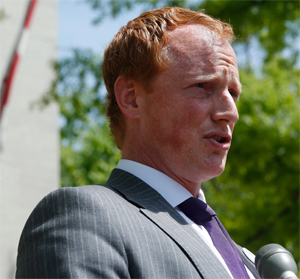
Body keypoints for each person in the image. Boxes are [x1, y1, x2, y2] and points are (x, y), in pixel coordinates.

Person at [16, 7, 261, 279]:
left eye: (233, 92)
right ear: (131, 98)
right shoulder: (84, 218)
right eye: (203, 86)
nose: (230, 112)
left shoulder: (250, 261)